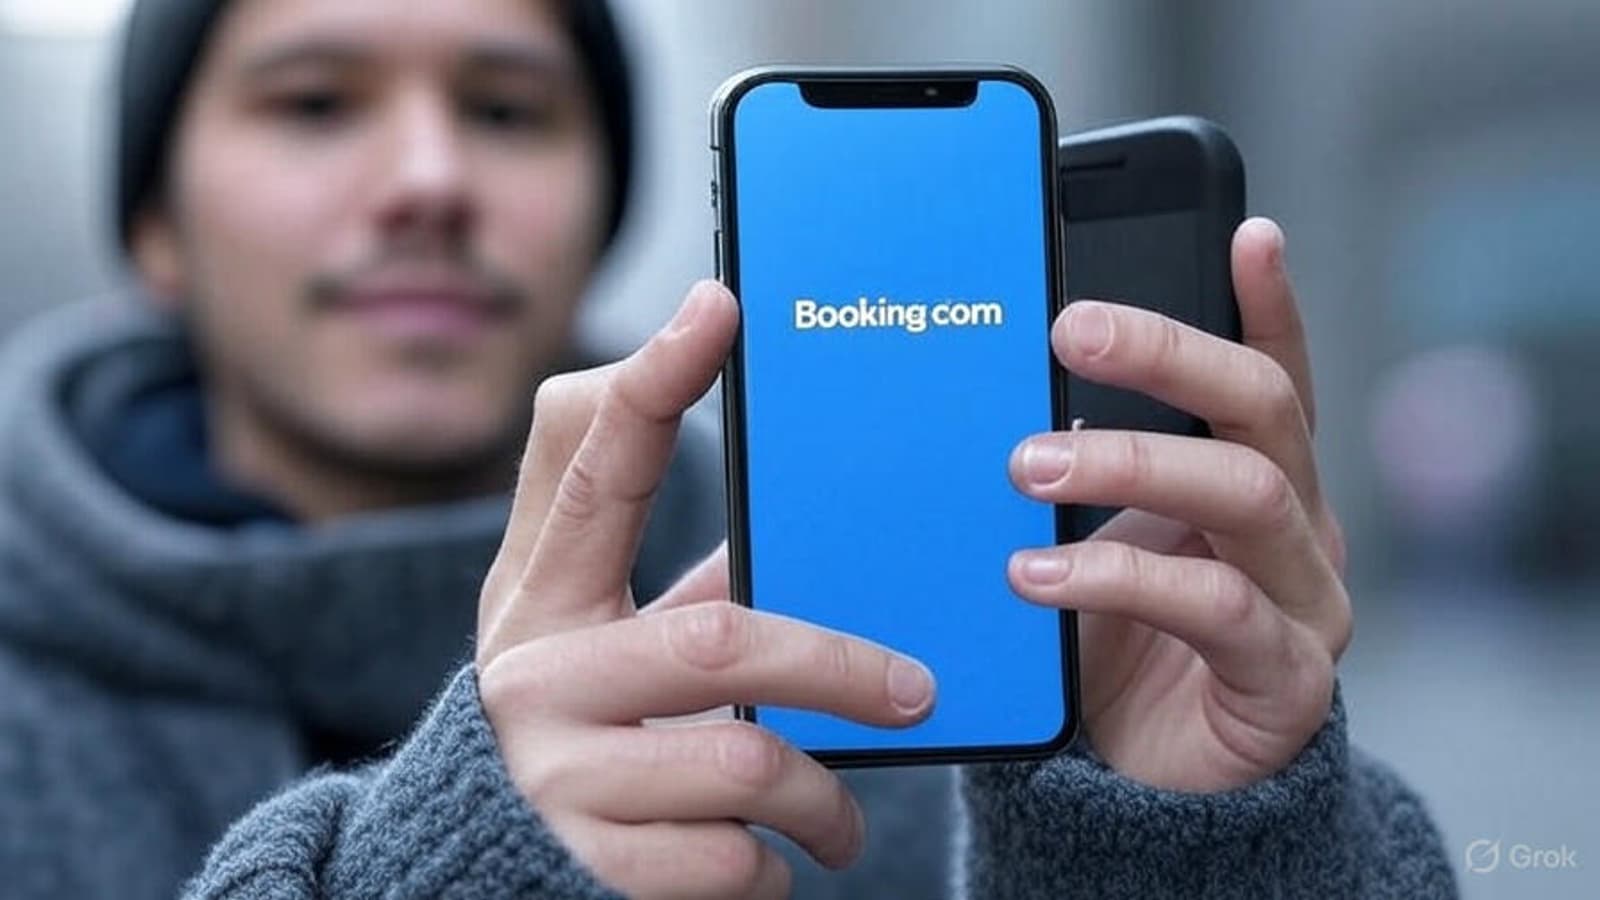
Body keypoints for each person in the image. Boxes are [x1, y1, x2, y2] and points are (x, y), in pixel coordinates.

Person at [0, 0, 1458, 897]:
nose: (430, 180)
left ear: (602, 208)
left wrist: (1203, 850)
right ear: (153, 225)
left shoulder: (897, 692)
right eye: (315, 103)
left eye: (506, 110)